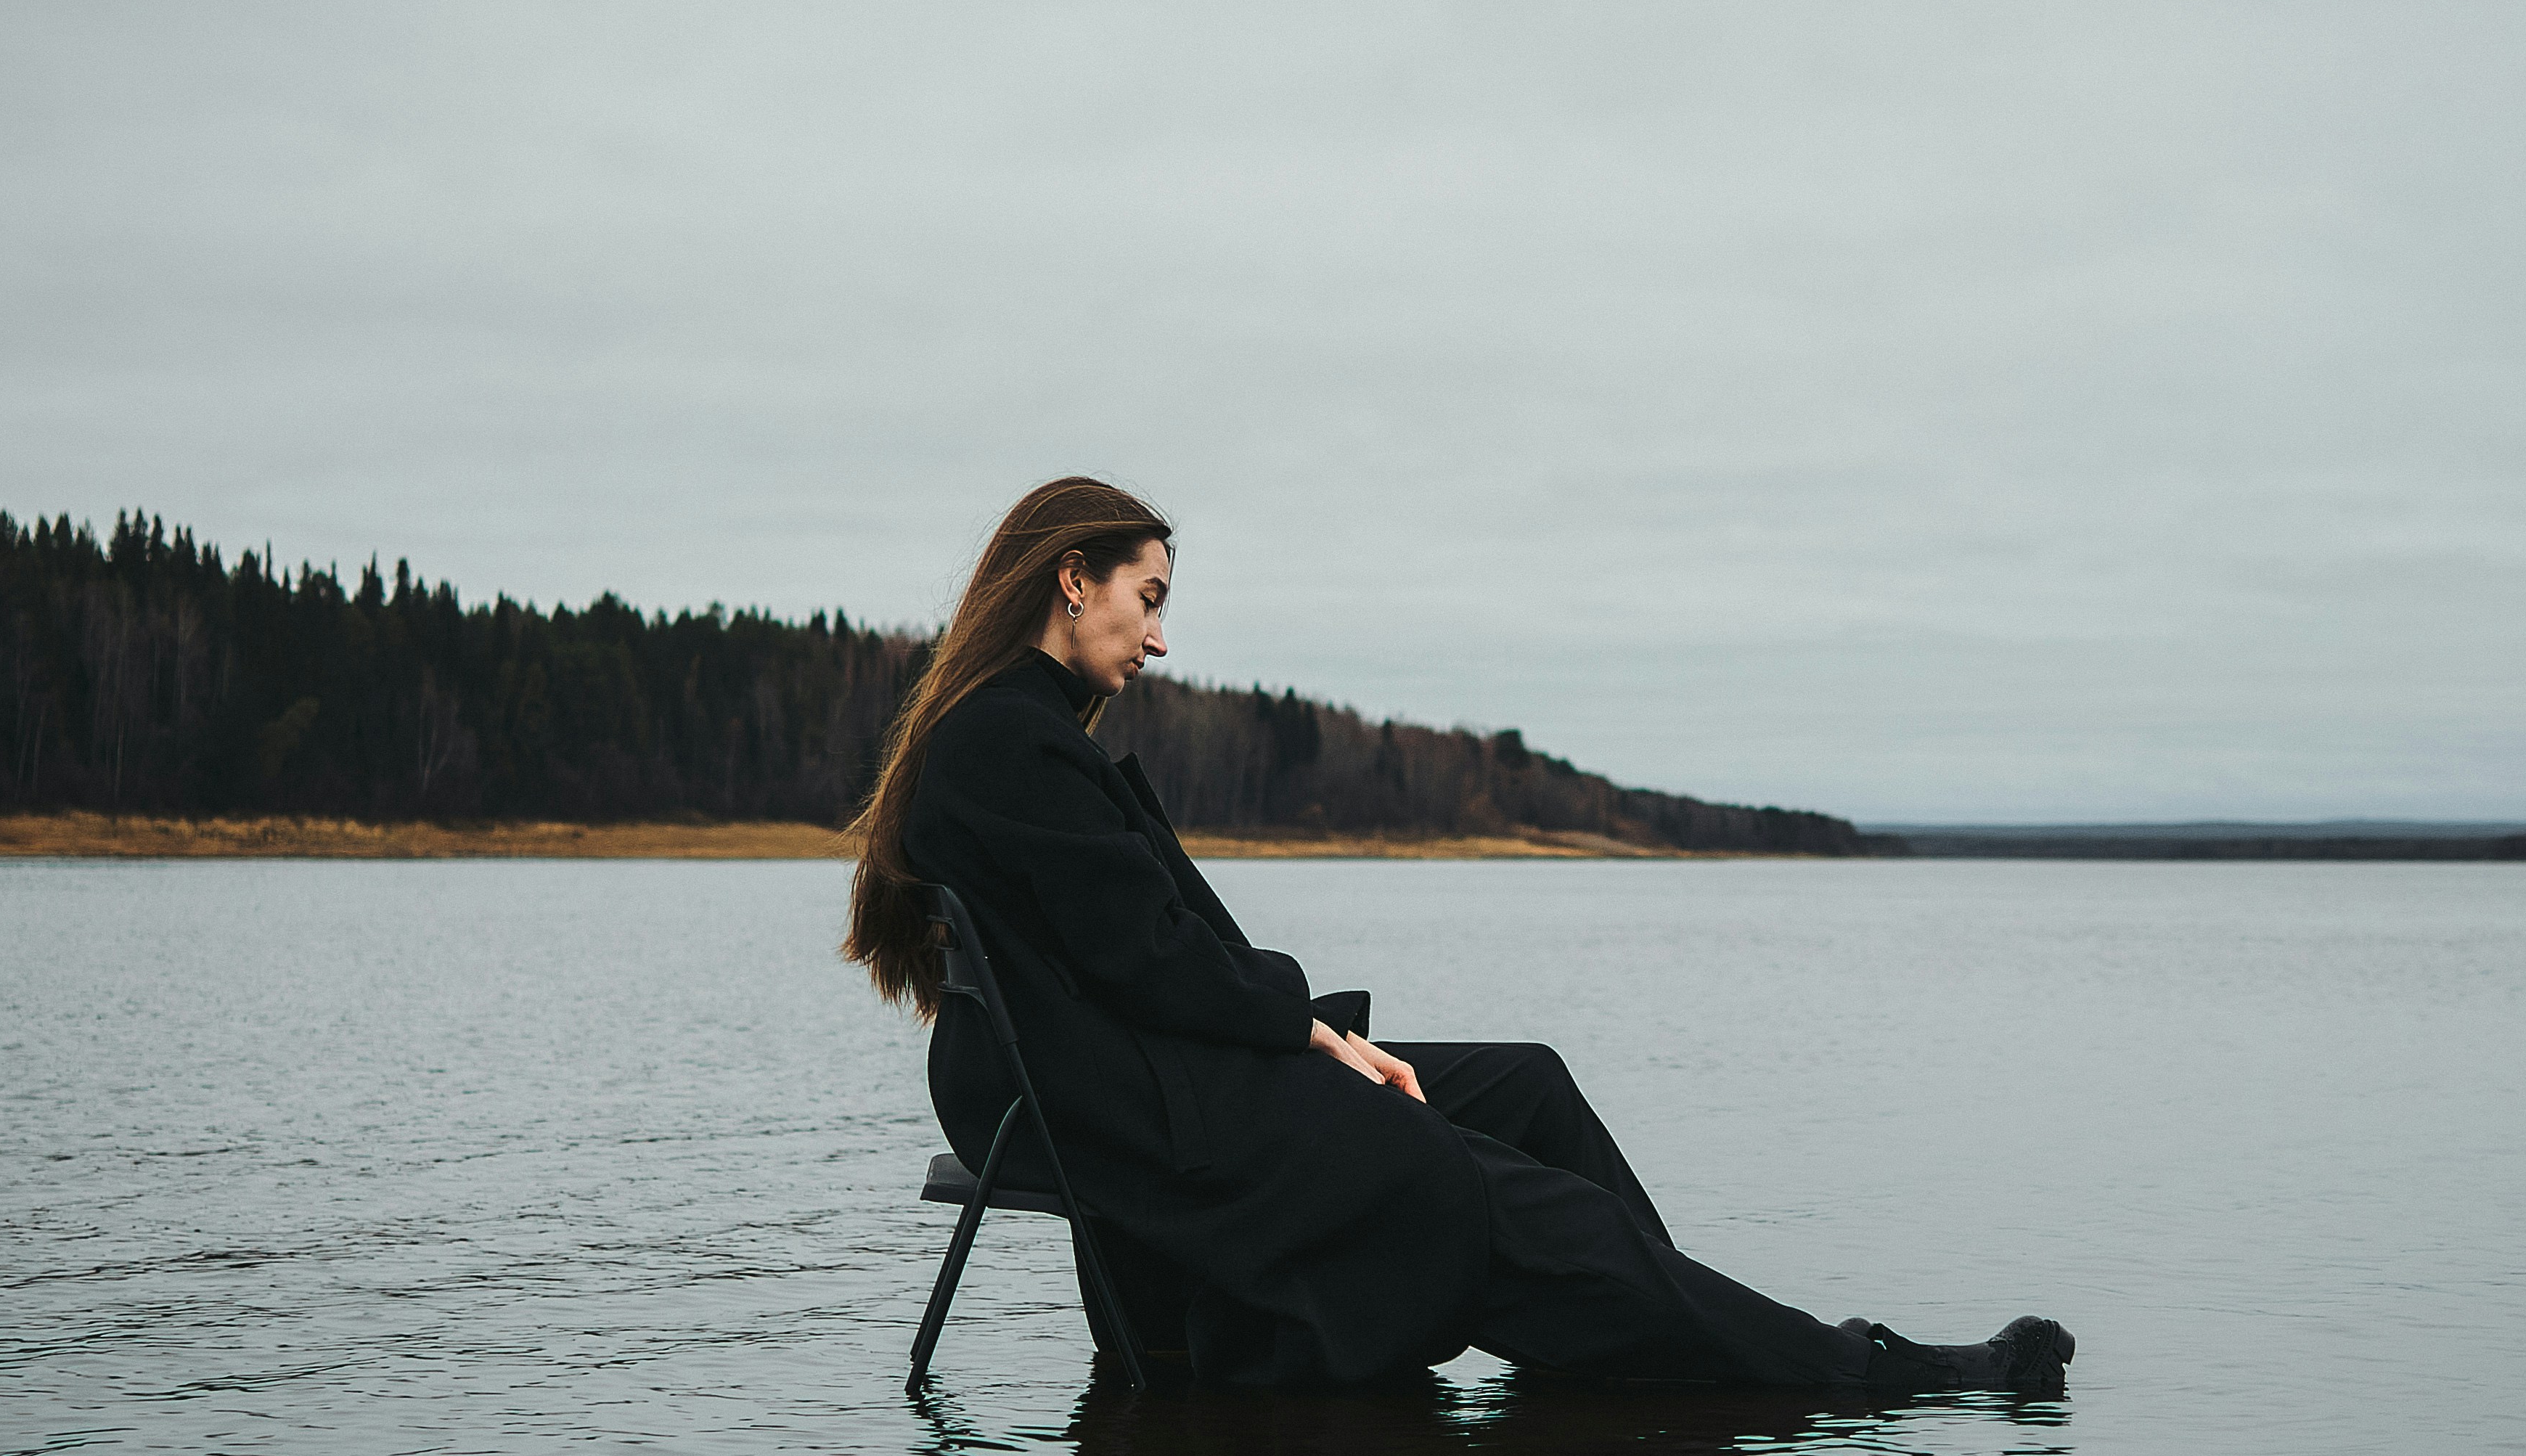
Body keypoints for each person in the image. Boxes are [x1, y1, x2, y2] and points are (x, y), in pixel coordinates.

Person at [843, 476, 2074, 1396]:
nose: (1159, 638)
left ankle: (1663, 1337)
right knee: (1474, 1183)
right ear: (1073, 578)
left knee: (1525, 1084)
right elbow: (1146, 956)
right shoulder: (1006, 739)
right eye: (1148, 598)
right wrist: (1311, 1037)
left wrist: (1308, 1030)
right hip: (1102, 1089)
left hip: (1119, 1060)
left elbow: (1142, 949)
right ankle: (1857, 1373)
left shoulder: (1019, 731)